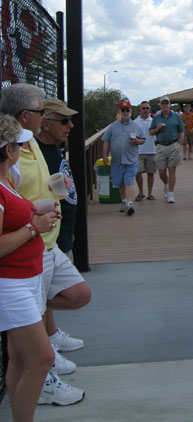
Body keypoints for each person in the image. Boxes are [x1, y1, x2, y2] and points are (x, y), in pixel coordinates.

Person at [0, 83, 89, 406]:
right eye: (43, 114)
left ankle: (46, 344)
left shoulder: (30, 143)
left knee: (76, 295)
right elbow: (12, 204)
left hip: (43, 245)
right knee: (28, 351)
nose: (68, 126)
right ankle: (41, 380)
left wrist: (53, 191)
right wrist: (33, 226)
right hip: (21, 259)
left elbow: (24, 197)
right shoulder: (14, 155)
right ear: (27, 116)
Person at [0, 114, 59, 422]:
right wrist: (34, 227)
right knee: (42, 358)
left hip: (24, 279)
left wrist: (38, 210)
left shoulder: (6, 179)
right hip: (11, 285)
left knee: (20, 361)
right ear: (9, 151)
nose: (23, 148)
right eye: (18, 144)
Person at [35, 99, 78, 257]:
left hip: (62, 238)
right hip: (46, 245)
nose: (70, 125)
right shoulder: (35, 154)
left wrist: (68, 230)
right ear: (45, 124)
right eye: (64, 121)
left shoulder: (54, 148)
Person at [102, 99, 145, 215]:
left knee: (129, 181)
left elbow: (143, 140)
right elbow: (106, 141)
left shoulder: (135, 126)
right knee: (120, 182)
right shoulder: (113, 126)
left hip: (131, 160)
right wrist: (105, 156)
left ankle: (130, 204)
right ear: (119, 111)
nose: (125, 112)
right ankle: (124, 201)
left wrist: (138, 141)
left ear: (130, 111)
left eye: (127, 110)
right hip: (117, 160)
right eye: (123, 110)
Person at [149, 96, 184, 203]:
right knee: (161, 171)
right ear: (160, 105)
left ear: (170, 105)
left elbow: (181, 131)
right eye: (163, 103)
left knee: (172, 170)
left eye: (167, 103)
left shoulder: (176, 117)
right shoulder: (156, 118)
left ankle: (170, 194)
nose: (165, 105)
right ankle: (167, 184)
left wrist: (179, 144)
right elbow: (150, 132)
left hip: (173, 145)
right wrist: (157, 128)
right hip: (161, 146)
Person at [133, 101, 157, 201]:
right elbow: (132, 136)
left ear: (150, 109)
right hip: (138, 151)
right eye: (143, 108)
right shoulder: (135, 122)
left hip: (151, 150)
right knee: (138, 172)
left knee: (150, 173)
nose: (145, 110)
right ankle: (141, 192)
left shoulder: (153, 121)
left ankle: (150, 193)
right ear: (140, 109)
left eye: (147, 108)